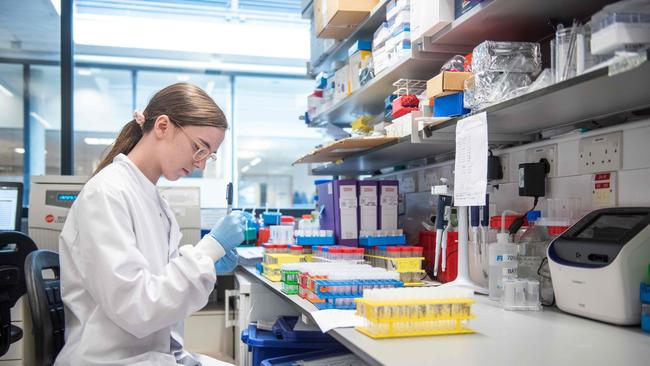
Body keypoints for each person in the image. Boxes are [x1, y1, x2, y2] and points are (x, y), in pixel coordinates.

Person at [56, 83, 243, 365]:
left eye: (209, 155)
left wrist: (207, 266)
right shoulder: (107, 193)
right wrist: (208, 250)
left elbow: (155, 280)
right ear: (163, 126)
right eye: (199, 148)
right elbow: (137, 307)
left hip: (150, 354)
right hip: (111, 359)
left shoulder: (154, 199)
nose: (201, 164)